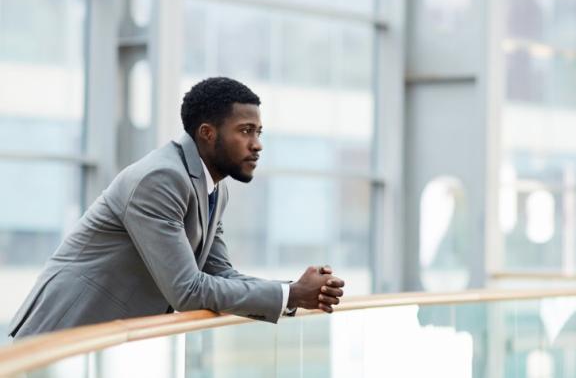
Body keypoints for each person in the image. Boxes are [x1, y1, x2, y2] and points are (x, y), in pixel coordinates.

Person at [8, 77, 344, 339]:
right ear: (207, 134)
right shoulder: (162, 179)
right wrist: (291, 294)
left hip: (103, 344)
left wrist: (293, 292)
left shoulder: (214, 189)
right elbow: (188, 290)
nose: (257, 144)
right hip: (60, 340)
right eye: (245, 131)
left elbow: (220, 274)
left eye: (258, 132)